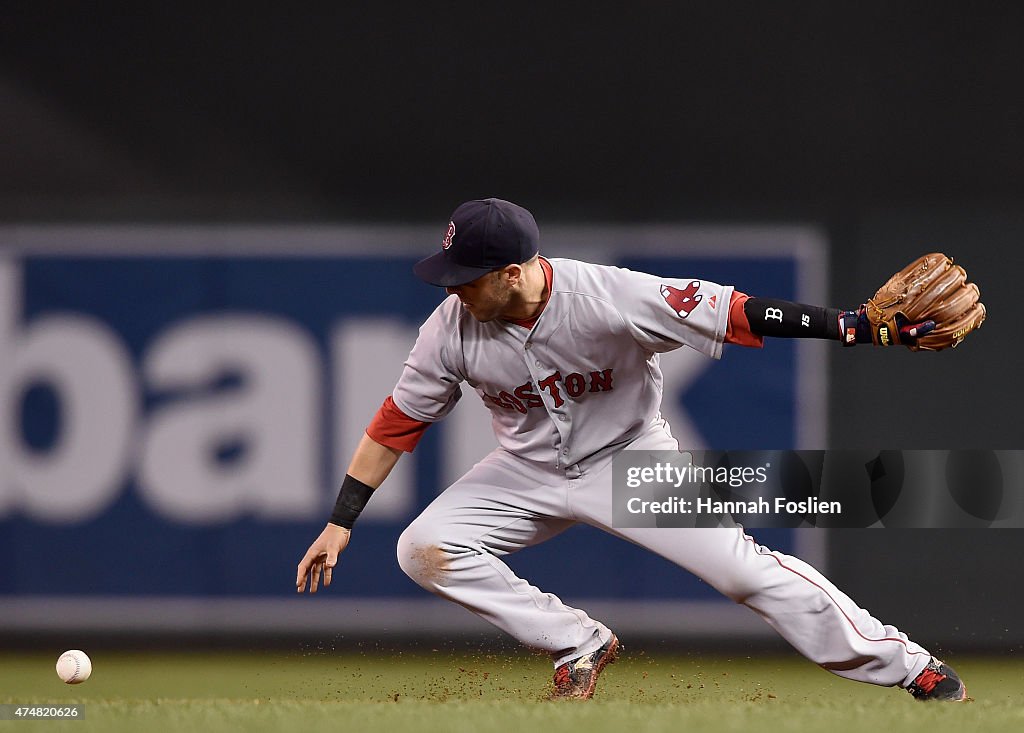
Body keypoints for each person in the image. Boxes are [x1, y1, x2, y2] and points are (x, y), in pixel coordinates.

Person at [296, 198, 966, 702]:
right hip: (524, 471)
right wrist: (340, 520)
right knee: (422, 547)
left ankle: (914, 667)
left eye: (466, 277)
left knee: (745, 574)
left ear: (509, 273)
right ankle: (576, 641)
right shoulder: (450, 329)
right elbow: (395, 424)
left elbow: (733, 311)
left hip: (630, 461)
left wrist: (852, 328)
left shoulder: (608, 296)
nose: (452, 289)